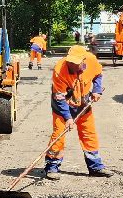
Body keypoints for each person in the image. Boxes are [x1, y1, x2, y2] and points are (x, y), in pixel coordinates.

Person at [44, 44, 109, 179]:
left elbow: (98, 74)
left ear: (83, 60)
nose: (72, 65)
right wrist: (68, 117)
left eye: (76, 62)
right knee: (58, 135)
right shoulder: (59, 69)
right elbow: (59, 97)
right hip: (62, 106)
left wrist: (97, 90)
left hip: (83, 105)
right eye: (70, 62)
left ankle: (95, 167)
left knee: (89, 134)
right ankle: (52, 167)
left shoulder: (91, 60)